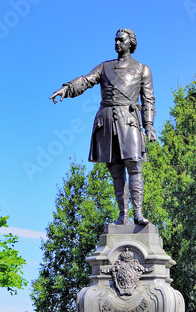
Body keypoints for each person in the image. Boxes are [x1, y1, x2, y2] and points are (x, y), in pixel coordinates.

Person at [49, 28, 156, 225]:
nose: (117, 43)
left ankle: (138, 213)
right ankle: (123, 215)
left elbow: (148, 100)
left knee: (134, 165)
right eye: (115, 40)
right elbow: (86, 80)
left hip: (129, 120)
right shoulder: (104, 67)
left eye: (121, 40)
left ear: (131, 43)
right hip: (106, 122)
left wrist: (149, 126)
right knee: (115, 170)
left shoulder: (142, 69)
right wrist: (67, 88)